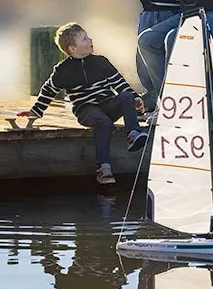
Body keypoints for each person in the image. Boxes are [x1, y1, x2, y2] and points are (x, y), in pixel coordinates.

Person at [17, 22, 147, 185]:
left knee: (125, 96)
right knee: (103, 122)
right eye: (85, 39)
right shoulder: (63, 70)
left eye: (88, 37)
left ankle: (133, 134)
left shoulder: (101, 62)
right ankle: (103, 167)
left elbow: (119, 82)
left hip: (107, 105)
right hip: (86, 111)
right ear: (72, 49)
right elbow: (48, 90)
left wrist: (135, 99)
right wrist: (36, 111)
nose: (90, 40)